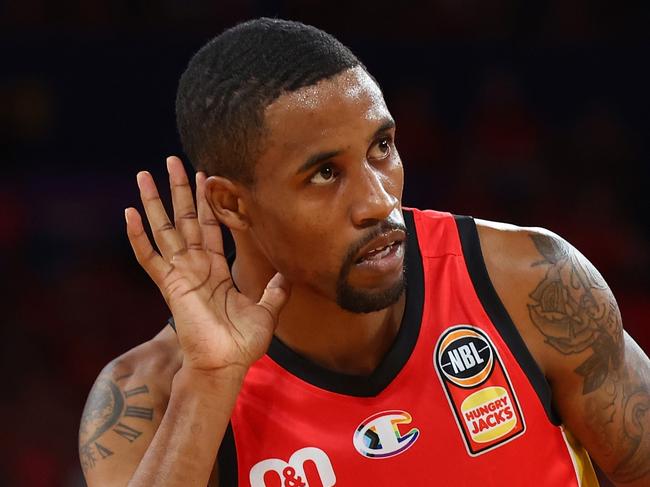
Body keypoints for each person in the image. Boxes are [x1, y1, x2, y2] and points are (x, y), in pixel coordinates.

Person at [78, 18, 650, 487]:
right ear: (231, 204)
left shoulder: (527, 283)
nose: (378, 203)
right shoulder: (149, 396)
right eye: (326, 173)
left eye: (382, 148)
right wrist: (208, 381)